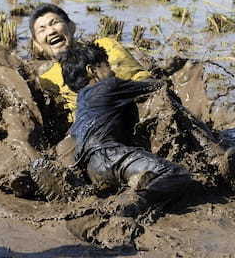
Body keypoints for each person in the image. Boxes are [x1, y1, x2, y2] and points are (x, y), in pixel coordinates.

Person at [28, 3, 235, 189]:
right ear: (37, 44)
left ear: (71, 26)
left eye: (55, 22)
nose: (51, 30)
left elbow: (140, 78)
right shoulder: (47, 80)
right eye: (42, 29)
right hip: (102, 130)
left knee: (163, 103)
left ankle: (218, 159)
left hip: (136, 109)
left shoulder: (104, 45)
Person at [60, 42, 194, 209]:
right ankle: (134, 203)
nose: (112, 70)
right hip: (110, 155)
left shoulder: (81, 101)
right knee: (176, 174)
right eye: (106, 65)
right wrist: (168, 75)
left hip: (90, 168)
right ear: (91, 70)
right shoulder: (110, 85)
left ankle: (132, 185)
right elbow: (156, 86)